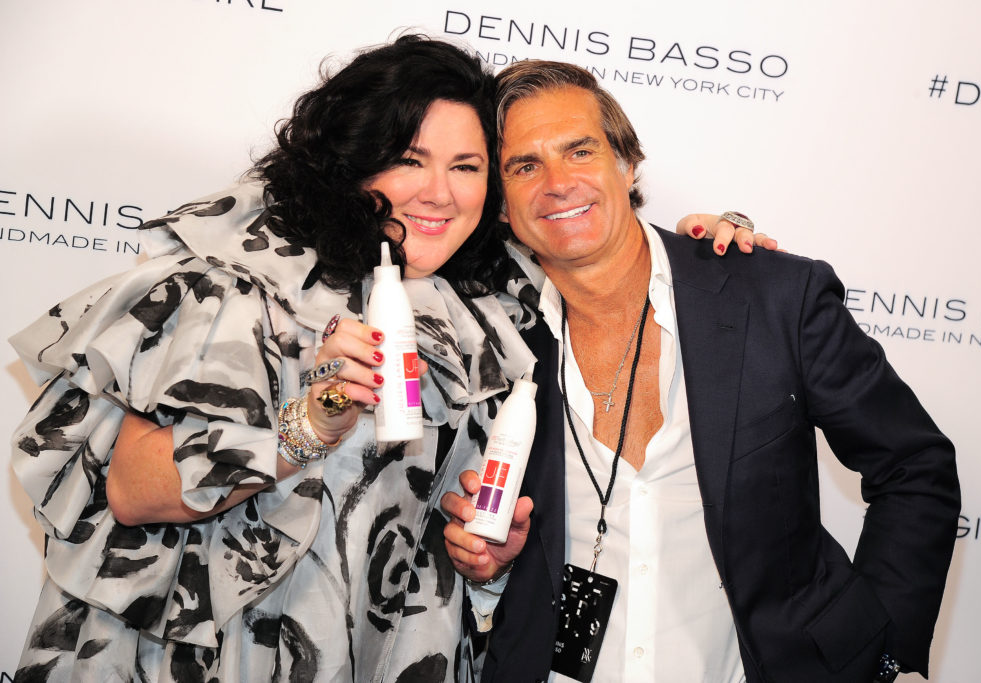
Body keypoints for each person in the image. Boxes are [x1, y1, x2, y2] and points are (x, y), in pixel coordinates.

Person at [9, 36, 767, 682]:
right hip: (217, 653)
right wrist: (313, 419)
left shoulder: (486, 307)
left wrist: (718, 253)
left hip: (391, 653)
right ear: (352, 160)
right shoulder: (245, 283)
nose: (439, 193)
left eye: (467, 166)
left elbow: (605, 251)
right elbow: (134, 490)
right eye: (410, 159)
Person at [441, 60, 961, 683]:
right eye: (524, 166)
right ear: (501, 204)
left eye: (580, 151)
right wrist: (493, 566)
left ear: (627, 164)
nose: (558, 183)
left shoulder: (769, 296)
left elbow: (914, 465)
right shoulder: (482, 335)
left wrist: (882, 656)